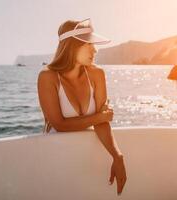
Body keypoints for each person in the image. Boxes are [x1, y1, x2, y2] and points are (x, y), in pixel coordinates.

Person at [37, 18, 127, 195]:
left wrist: (117, 156)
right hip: (57, 155)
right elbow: (59, 124)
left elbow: (102, 122)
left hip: (88, 158)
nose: (95, 49)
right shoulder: (47, 77)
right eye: (89, 43)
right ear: (72, 45)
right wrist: (99, 117)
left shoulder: (97, 74)